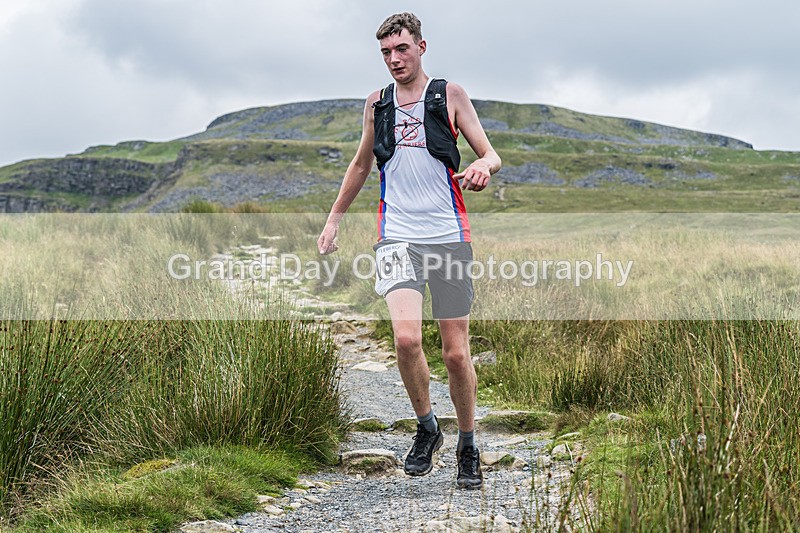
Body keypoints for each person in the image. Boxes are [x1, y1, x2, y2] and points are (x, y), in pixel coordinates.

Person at [317, 12, 501, 490]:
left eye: (401, 49)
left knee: (457, 354)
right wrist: (333, 219)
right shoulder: (377, 103)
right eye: (385, 53)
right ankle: (426, 427)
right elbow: (361, 164)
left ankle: (467, 443)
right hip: (396, 234)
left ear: (422, 46)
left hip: (448, 235)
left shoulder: (449, 95)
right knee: (405, 340)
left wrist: (483, 168)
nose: (394, 60)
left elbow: (491, 153)